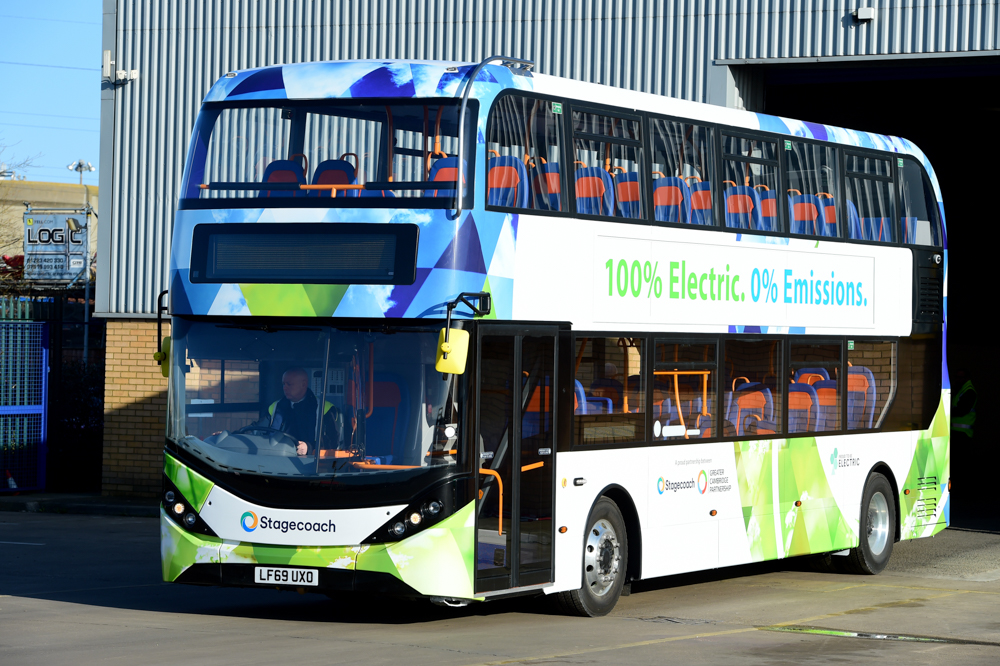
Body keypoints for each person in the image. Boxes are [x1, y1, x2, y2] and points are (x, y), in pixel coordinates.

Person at [263, 367, 343, 456]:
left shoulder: (324, 409)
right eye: (283, 384)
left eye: (289, 384)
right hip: (276, 461)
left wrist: (309, 448)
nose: (284, 388)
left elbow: (333, 443)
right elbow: (259, 432)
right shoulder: (275, 407)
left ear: (303, 384)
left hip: (310, 466)